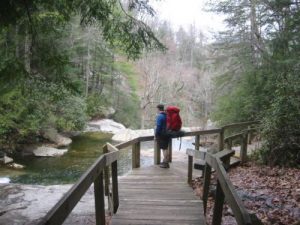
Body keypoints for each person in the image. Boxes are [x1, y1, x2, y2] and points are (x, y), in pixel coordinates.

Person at [155, 104, 170, 168]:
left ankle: (166, 163)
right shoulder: (166, 115)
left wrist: (156, 134)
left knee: (164, 149)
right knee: (166, 148)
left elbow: (158, 126)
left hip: (162, 134)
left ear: (158, 109)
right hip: (167, 133)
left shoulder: (160, 116)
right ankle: (165, 161)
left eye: (157, 109)